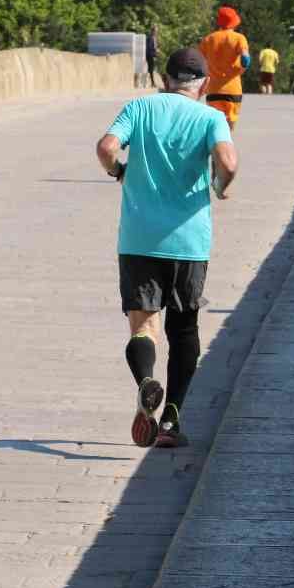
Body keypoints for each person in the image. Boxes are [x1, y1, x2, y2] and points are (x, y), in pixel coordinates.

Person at [96, 48, 238, 450]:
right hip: (189, 243)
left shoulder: (140, 107)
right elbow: (228, 163)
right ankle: (172, 420)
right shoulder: (212, 117)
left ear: (165, 80)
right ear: (205, 86)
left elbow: (106, 148)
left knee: (144, 326)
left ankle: (146, 382)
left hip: (139, 239)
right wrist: (219, 188)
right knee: (185, 328)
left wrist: (119, 172)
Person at [197, 6, 250, 132]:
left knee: (215, 125)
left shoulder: (208, 39)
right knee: (229, 125)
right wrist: (241, 69)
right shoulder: (239, 38)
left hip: (213, 90)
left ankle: (215, 147)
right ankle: (226, 146)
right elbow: (245, 59)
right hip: (233, 89)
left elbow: (199, 62)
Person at [145, 24, 160, 88]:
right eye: (156, 31)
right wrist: (155, 51)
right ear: (153, 31)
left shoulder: (154, 38)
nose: (156, 32)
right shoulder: (150, 38)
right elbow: (149, 47)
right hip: (150, 56)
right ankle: (152, 83)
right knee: (150, 70)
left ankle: (152, 83)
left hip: (153, 55)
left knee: (152, 69)